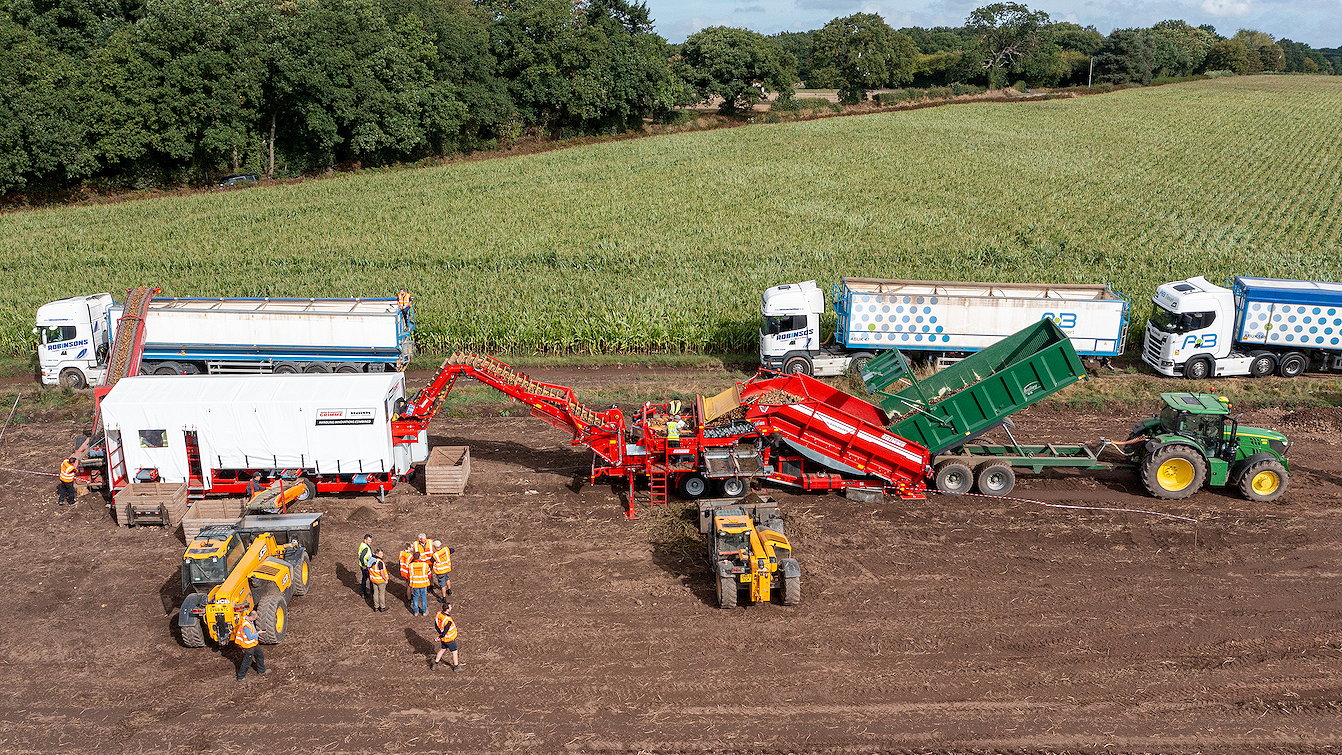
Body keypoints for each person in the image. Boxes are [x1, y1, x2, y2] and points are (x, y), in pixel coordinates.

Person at [233, 609, 266, 681]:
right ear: (251, 617)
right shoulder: (246, 626)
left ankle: (262, 671)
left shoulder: (249, 620)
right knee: (247, 662)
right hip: (248, 646)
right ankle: (241, 677)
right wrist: (258, 633)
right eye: (255, 618)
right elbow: (250, 637)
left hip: (254, 644)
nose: (255, 620)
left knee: (260, 656)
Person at [431, 603, 461, 672]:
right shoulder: (448, 620)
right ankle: (456, 667)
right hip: (449, 638)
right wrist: (441, 635)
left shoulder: (439, 614)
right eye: (450, 607)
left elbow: (436, 625)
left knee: (442, 649)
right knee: (454, 651)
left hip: (443, 639)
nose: (451, 608)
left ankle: (435, 664)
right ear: (447, 609)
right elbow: (446, 630)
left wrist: (440, 635)